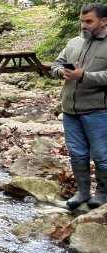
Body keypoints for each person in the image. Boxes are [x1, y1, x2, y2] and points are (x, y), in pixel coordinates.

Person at [52, 3, 107, 210]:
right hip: (70, 110)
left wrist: (84, 76)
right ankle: (82, 192)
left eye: (89, 21)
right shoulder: (74, 42)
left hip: (98, 110)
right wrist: (61, 72)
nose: (84, 25)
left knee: (102, 155)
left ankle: (102, 194)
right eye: (82, 21)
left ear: (104, 21)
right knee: (77, 153)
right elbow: (56, 65)